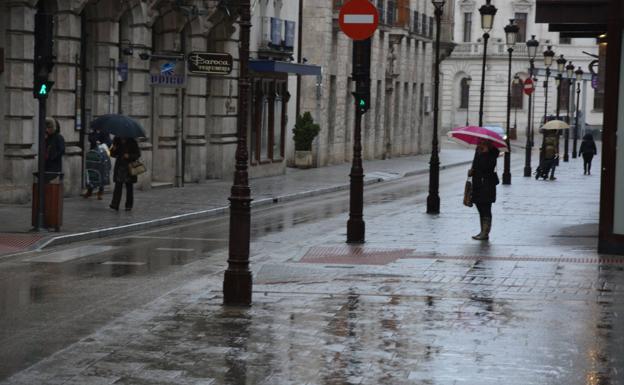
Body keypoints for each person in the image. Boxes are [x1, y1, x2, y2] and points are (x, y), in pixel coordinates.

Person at [469, 139, 500, 241]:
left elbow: (486, 167)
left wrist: (484, 153)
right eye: (479, 142)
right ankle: (482, 231)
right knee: (480, 208)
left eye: (482, 142)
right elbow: (476, 165)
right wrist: (471, 171)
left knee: (486, 208)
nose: (479, 143)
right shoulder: (478, 150)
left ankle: (485, 233)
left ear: (488, 143)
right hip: (477, 184)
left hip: (487, 185)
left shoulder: (492, 153)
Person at [109, 137, 140, 211]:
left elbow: (137, 154)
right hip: (120, 167)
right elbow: (112, 154)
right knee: (118, 186)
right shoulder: (116, 140)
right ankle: (115, 204)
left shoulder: (132, 141)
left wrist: (129, 156)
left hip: (129, 167)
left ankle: (129, 205)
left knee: (129, 187)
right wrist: (113, 149)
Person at [82, 127, 112, 199]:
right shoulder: (93, 131)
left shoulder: (105, 131)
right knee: (91, 172)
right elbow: (90, 138)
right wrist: (96, 138)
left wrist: (102, 144)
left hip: (102, 155)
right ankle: (90, 190)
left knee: (102, 172)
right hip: (93, 154)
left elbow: (109, 142)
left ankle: (100, 191)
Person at [44, 117, 65, 182]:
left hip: (54, 166)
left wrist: (53, 157)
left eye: (49, 128)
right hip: (47, 165)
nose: (47, 130)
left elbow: (61, 150)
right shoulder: (47, 137)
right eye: (46, 128)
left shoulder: (58, 137)